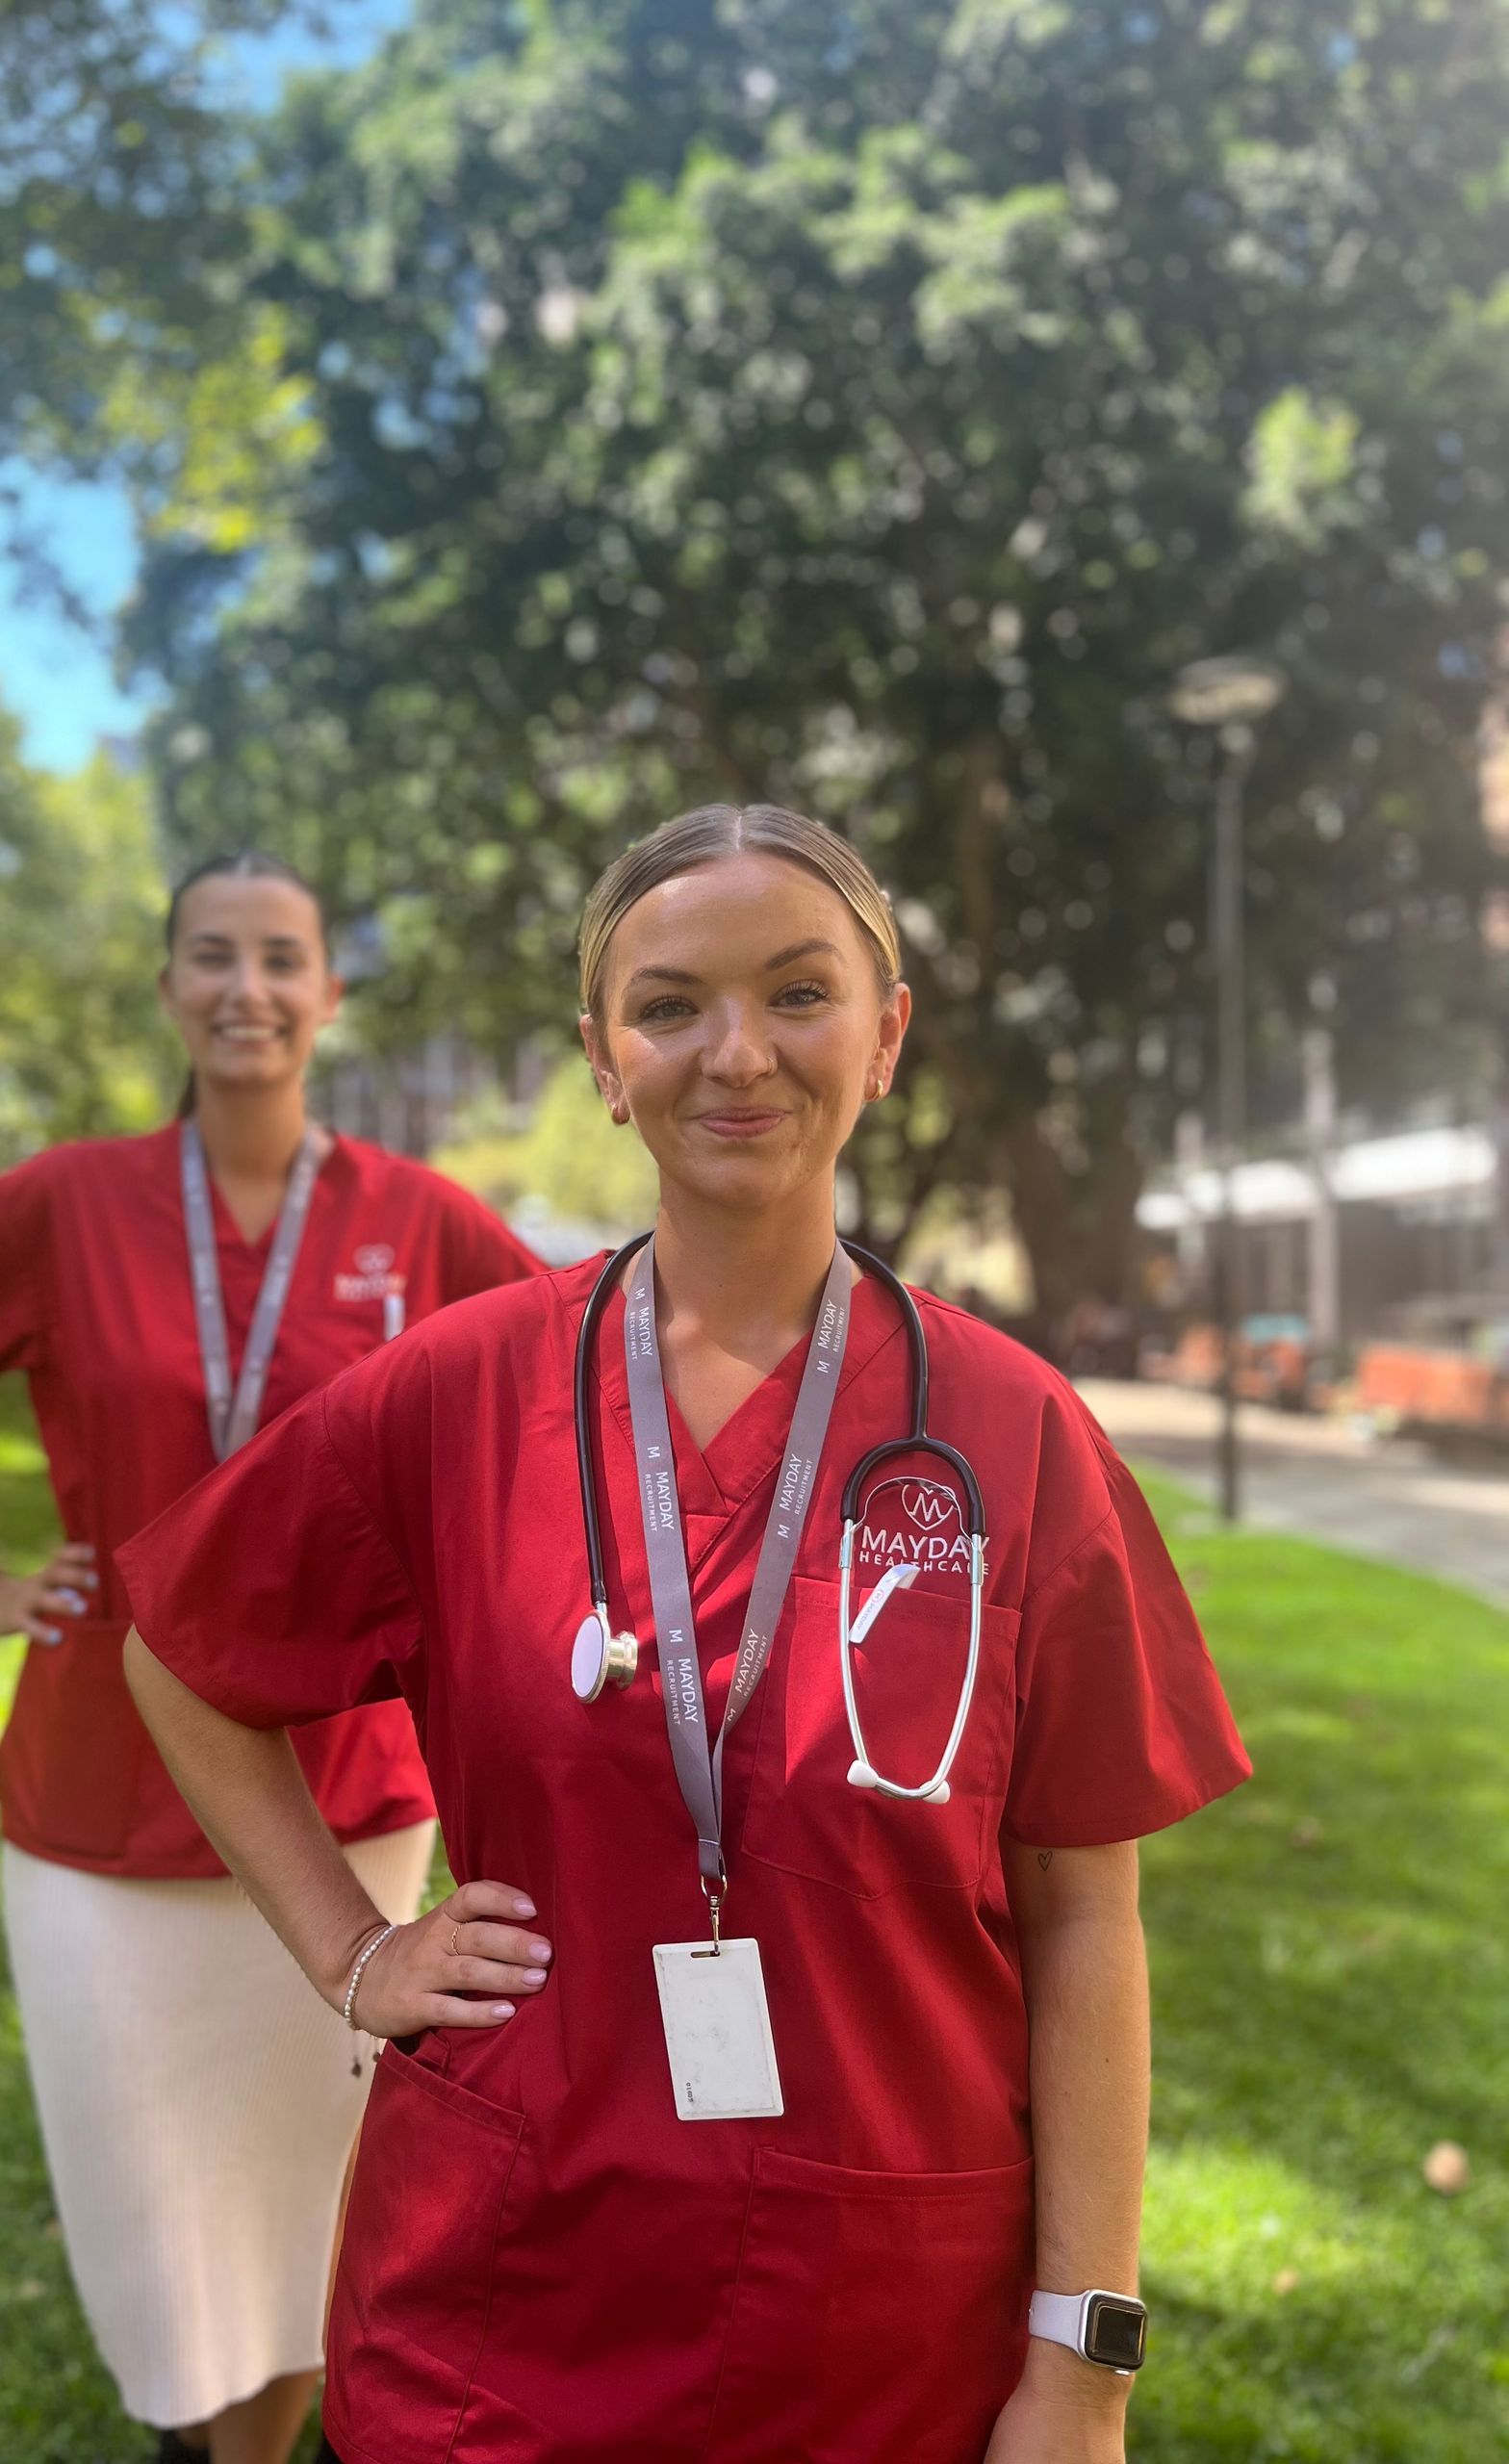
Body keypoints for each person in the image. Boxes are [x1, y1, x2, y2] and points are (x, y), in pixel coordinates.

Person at [116, 808, 1251, 2464]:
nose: (738, 1055)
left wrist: (1082, 2367)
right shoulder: (457, 1391)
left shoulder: (1016, 1435)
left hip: (888, 2313)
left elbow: (1086, 1916)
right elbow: (184, 1649)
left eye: (800, 994)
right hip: (503, 2301)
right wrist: (352, 1953)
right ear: (602, 1057)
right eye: (670, 1006)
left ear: (885, 1039)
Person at [0, 852, 540, 2464]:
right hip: (98, 1800)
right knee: (160, 2226)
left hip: (349, 1796)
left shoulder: (423, 1223)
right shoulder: (68, 1201)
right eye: (211, 957)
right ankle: (187, 2433)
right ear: (167, 990)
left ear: (331, 996)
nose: (248, 990)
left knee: (300, 2210)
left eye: (284, 958)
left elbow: (562, 1396)